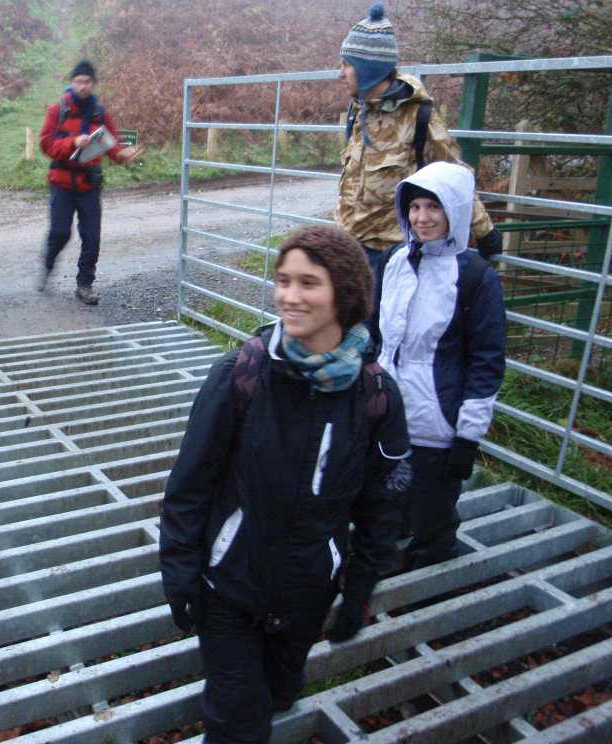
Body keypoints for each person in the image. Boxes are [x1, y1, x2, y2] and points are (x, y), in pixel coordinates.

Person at [160, 225, 411, 744]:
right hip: (230, 582)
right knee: (239, 724)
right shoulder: (242, 374)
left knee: (280, 692)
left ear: (344, 293)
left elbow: (381, 504)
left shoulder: (375, 395)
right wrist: (179, 570)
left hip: (307, 590)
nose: (290, 296)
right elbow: (190, 483)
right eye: (283, 280)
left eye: (308, 283)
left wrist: (360, 588)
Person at [373, 161, 507, 570]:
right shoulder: (394, 260)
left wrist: (467, 437)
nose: (422, 217)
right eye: (414, 207)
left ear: (456, 211)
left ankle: (434, 567)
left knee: (432, 510)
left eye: (434, 207)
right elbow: (373, 332)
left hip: (437, 421)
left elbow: (487, 361)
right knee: (387, 496)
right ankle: (392, 552)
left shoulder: (475, 277)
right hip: (388, 413)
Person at [334, 3, 502, 274]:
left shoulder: (418, 116)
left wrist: (484, 231)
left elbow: (454, 175)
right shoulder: (359, 109)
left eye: (347, 65)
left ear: (368, 69)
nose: (340, 73)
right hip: (348, 248)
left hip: (389, 257)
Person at [38, 59, 140, 305]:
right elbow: (46, 144)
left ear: (93, 83)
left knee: (92, 238)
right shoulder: (57, 110)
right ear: (72, 82)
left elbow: (110, 144)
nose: (82, 86)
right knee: (60, 233)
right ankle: (48, 262)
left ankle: (85, 285)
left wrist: (122, 155)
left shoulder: (100, 113)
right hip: (61, 183)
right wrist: (72, 142)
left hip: (89, 185)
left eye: (87, 81)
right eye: (78, 81)